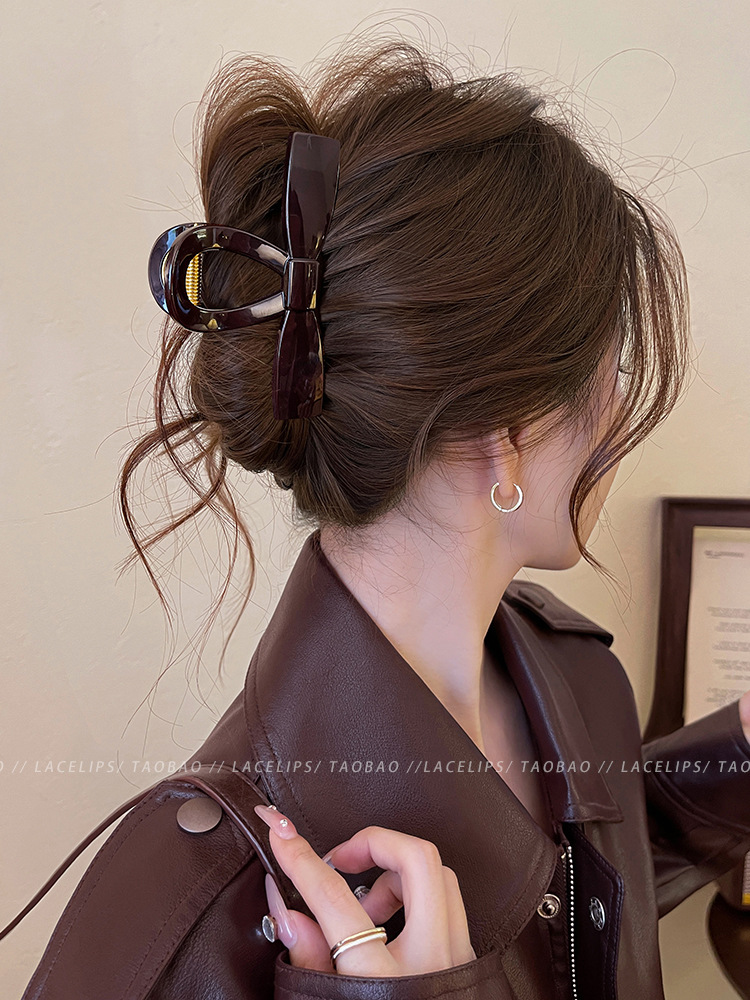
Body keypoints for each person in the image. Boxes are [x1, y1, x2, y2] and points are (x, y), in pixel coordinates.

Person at [9, 35, 750, 1000]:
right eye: (611, 372)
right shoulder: (187, 903)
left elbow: (581, 902)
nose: (618, 414)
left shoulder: (577, 679)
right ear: (511, 435)